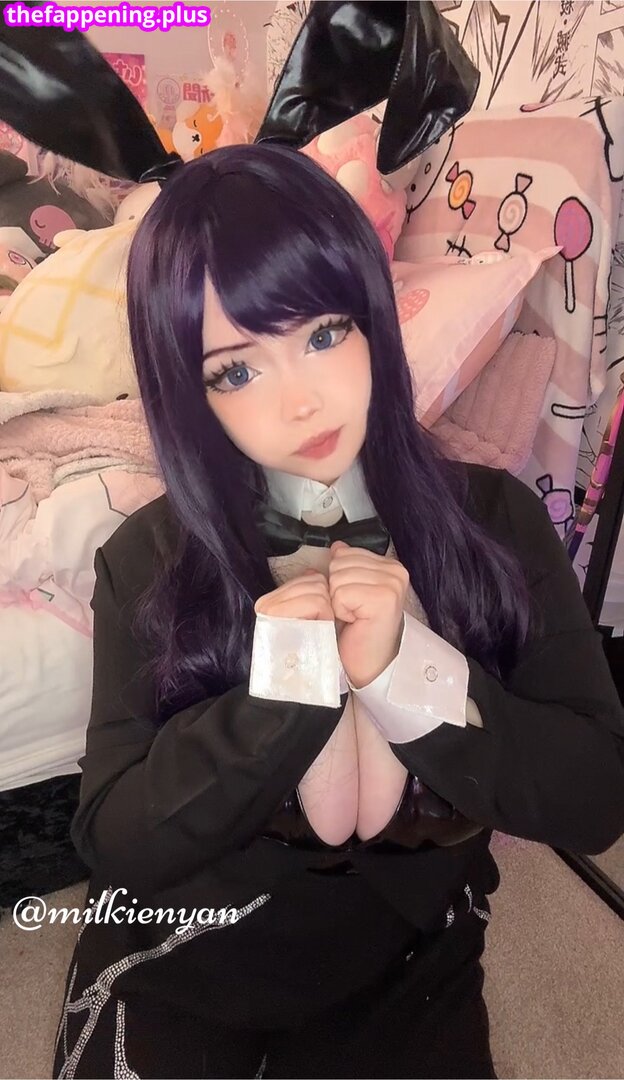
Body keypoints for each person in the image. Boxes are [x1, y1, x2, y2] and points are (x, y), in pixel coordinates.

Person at [52, 144, 624, 1080]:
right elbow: (115, 838)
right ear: (189, 393)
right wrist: (278, 696)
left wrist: (414, 673)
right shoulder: (150, 559)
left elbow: (595, 798)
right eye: (235, 371)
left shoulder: (495, 524)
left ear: (373, 318)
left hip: (407, 954)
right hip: (188, 939)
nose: (300, 401)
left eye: (323, 334)